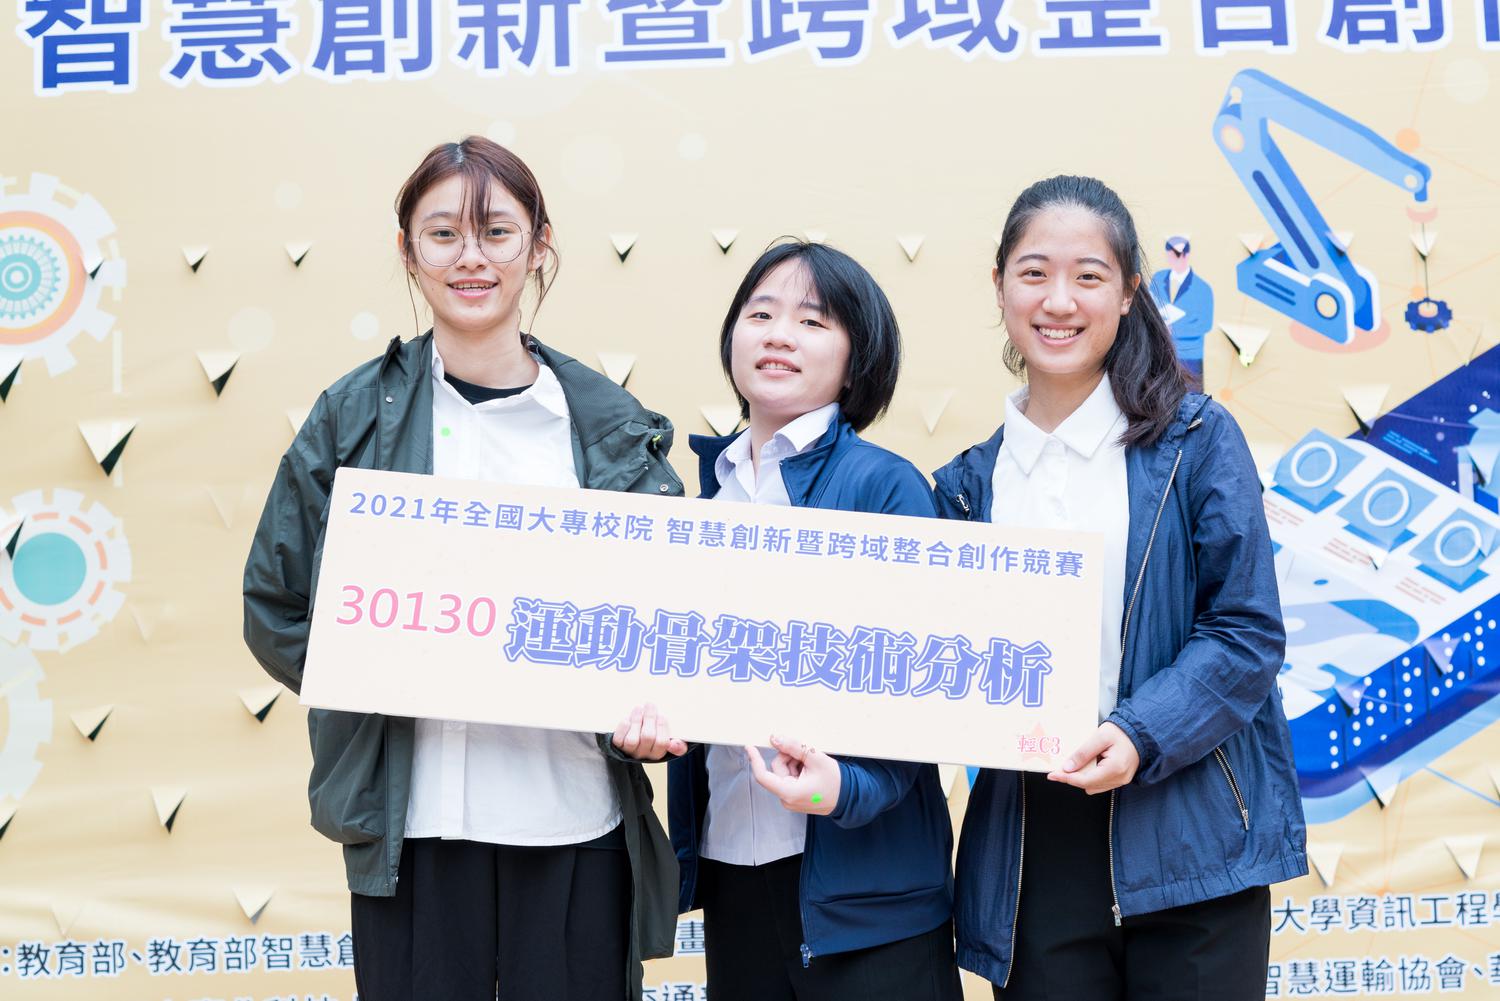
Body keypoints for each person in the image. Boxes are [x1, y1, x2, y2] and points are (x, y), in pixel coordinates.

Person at [242, 136, 683, 1001]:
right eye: (443, 233)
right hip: (414, 827)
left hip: (574, 819)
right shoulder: (352, 417)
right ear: (408, 251)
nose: (470, 257)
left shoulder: (606, 425)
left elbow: (664, 621)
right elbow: (275, 605)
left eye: (497, 232)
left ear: (540, 244)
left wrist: (648, 710)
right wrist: (377, 670)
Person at [931, 176, 1306, 1000]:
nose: (1059, 300)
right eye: (1034, 273)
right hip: (1033, 845)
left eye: (1089, 276)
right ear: (998, 286)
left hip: (1192, 825)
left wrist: (1140, 732)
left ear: (1130, 291)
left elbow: (1245, 630)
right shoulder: (964, 487)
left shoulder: (1198, 440)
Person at [612, 240, 963, 1001]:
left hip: (868, 896)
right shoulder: (706, 500)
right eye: (760, 314)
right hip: (734, 870)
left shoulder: (886, 488)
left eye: (812, 321)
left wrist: (849, 787)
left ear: (857, 359)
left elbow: (928, 685)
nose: (778, 335)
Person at [1146, 235, 1213, 386]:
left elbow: (1205, 324)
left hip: (1190, 356)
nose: (1174, 260)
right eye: (1171, 255)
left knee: (1191, 396)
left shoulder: (1202, 288)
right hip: (1159, 354)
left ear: (1187, 255)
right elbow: (1149, 308)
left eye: (1178, 255)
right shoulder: (1158, 279)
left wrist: (1172, 327)